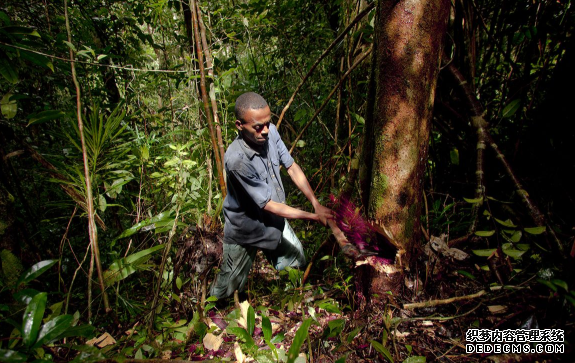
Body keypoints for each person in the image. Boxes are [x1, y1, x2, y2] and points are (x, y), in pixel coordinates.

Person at [209, 92, 334, 301]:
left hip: (272, 220)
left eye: (268, 123)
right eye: (258, 127)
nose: (265, 131)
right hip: (245, 227)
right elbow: (267, 204)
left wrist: (316, 204)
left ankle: (294, 302)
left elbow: (291, 167)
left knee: (296, 261)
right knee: (226, 289)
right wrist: (312, 217)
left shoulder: (271, 132)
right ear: (239, 125)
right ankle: (207, 317)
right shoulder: (236, 159)